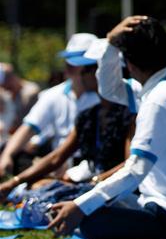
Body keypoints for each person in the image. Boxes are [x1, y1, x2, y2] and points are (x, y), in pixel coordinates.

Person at [47, 16, 166, 239]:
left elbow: (135, 171)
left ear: (128, 64)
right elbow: (111, 89)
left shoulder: (159, 99)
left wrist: (80, 208)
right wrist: (110, 42)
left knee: (90, 219)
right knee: (92, 200)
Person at [0, 34, 99, 178]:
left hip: (92, 163)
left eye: (77, 64)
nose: (69, 67)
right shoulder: (53, 95)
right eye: (68, 62)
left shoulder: (106, 97)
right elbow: (28, 127)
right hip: (59, 161)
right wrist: (7, 156)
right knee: (16, 153)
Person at [0, 62, 39, 131]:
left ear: (12, 78)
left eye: (7, 86)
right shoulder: (7, 93)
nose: (5, 90)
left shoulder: (30, 92)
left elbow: (28, 123)